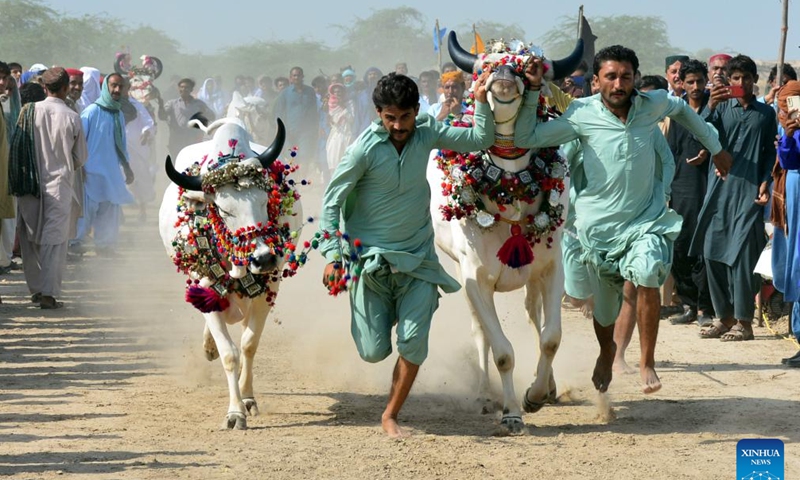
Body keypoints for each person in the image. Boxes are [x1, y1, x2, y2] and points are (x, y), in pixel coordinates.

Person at [517, 45, 732, 394]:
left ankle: (647, 363)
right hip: (597, 231)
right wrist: (529, 94)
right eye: (611, 76)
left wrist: (716, 146)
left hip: (644, 221)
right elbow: (529, 138)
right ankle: (607, 352)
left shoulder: (653, 104)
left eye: (626, 76)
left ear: (634, 78)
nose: (619, 84)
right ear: (596, 81)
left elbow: (684, 112)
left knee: (647, 273)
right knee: (603, 310)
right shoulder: (579, 115)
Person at [318, 72, 495, 437]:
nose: (399, 126)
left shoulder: (428, 132)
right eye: (390, 118)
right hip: (370, 265)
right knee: (372, 351)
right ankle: (392, 315)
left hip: (417, 262)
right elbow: (331, 202)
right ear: (379, 114)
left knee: (413, 343)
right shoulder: (362, 150)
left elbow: (481, 138)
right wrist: (334, 255)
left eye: (405, 117)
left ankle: (390, 415)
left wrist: (479, 100)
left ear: (417, 110)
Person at [693, 55, 777, 342]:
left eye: (747, 78)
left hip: (749, 190)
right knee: (711, 251)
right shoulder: (719, 108)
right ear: (728, 81)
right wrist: (711, 106)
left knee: (742, 257)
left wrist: (766, 182)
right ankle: (724, 317)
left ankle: (744, 321)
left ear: (755, 80)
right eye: (736, 78)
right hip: (719, 190)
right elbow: (700, 132)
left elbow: (769, 153)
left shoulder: (765, 114)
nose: (741, 83)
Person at [10, 67, 87, 308]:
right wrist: (63, 164)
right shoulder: (72, 116)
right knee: (55, 242)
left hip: (28, 185)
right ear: (65, 89)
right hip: (59, 186)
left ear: (44, 88)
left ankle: (35, 289)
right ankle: (49, 294)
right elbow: (80, 157)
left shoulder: (28, 111)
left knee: (29, 238)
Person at [665, 59, 716, 327]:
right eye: (690, 82)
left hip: (708, 187)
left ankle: (706, 307)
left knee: (704, 248)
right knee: (680, 245)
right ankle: (688, 303)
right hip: (680, 187)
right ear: (681, 84)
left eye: (699, 81)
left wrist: (707, 151)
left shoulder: (714, 107)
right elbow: (670, 153)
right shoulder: (678, 112)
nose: (696, 86)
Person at [72, 73, 135, 256]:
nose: (116, 90)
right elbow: (79, 141)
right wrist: (80, 167)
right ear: (106, 86)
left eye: (120, 87)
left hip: (111, 172)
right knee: (86, 212)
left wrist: (127, 167)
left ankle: (105, 246)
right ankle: (75, 245)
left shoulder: (118, 114)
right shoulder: (91, 111)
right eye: (113, 86)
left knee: (109, 211)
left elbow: (121, 144)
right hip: (89, 172)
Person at [772, 81, 800, 366]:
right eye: (783, 103)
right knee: (794, 266)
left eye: (791, 103)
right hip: (792, 198)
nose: (787, 108)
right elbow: (789, 161)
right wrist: (789, 136)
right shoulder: (785, 128)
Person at [273, 67, 319, 176]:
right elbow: (279, 112)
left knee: (304, 156)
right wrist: (280, 129)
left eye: (299, 75)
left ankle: (302, 182)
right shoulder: (285, 93)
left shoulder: (310, 91)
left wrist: (316, 127)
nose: (296, 77)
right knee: (291, 157)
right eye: (294, 75)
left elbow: (314, 111)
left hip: (306, 131)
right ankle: (293, 181)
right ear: (291, 78)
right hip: (289, 131)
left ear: (302, 77)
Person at [158, 77, 214, 158]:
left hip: (192, 139)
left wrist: (204, 111)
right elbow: (162, 117)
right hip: (176, 139)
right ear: (178, 89)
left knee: (191, 163)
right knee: (176, 163)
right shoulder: (172, 104)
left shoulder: (199, 104)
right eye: (181, 87)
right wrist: (160, 105)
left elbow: (212, 116)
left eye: (186, 87)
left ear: (191, 90)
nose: (184, 89)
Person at [325, 83, 354, 172]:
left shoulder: (350, 103)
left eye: (339, 91)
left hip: (347, 134)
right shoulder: (329, 104)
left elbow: (352, 119)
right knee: (333, 160)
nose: (337, 94)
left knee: (346, 161)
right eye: (335, 92)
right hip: (335, 134)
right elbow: (330, 122)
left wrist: (343, 107)